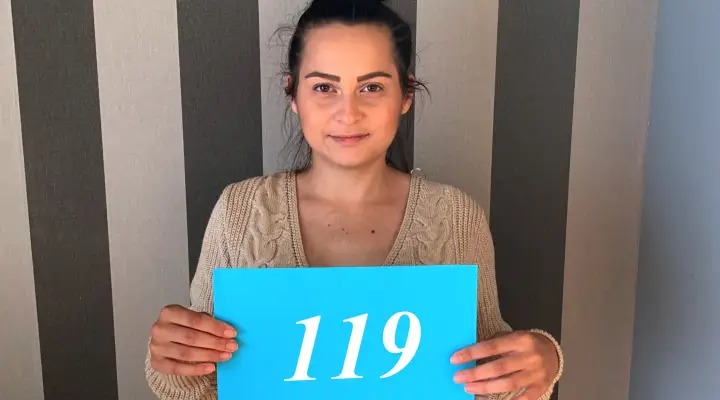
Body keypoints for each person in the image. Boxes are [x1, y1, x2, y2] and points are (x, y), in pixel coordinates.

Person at [145, 0, 564, 399]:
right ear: (293, 94)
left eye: (372, 87)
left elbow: (490, 380)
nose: (348, 113)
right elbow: (203, 386)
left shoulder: (456, 217)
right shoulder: (240, 211)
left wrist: (544, 360)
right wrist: (171, 357)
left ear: (405, 95)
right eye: (324, 87)